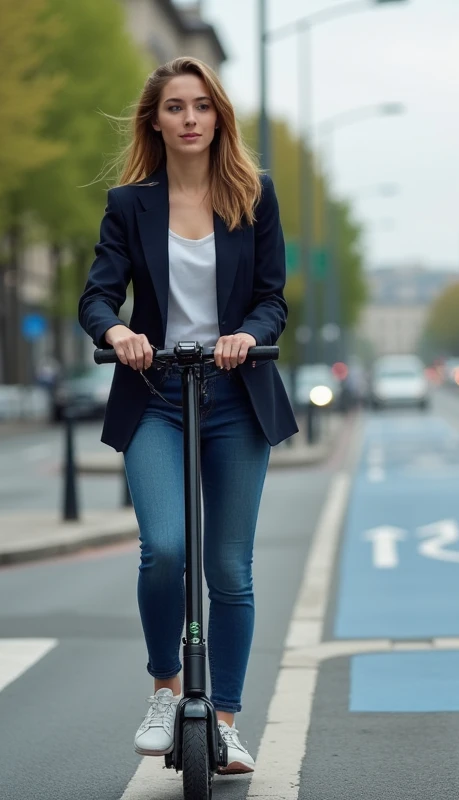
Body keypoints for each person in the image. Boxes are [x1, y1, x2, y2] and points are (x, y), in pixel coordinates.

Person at [78, 56, 297, 775]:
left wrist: (249, 336)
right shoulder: (128, 205)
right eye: (175, 107)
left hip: (236, 395)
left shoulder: (253, 196)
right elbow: (97, 298)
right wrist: (118, 334)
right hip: (157, 395)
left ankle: (227, 720)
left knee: (231, 569)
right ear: (155, 121)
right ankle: (165, 689)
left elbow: (272, 298)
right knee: (165, 549)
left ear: (219, 116)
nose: (191, 118)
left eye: (202, 105)